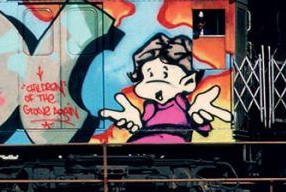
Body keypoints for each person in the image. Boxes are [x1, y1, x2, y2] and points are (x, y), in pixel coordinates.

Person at [99, 32, 231, 144]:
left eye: (164, 75)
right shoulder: (149, 106)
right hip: (144, 140)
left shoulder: (180, 103)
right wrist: (136, 123)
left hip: (170, 140)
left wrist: (198, 121)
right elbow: (143, 124)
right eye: (148, 75)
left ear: (188, 82)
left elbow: (199, 124)